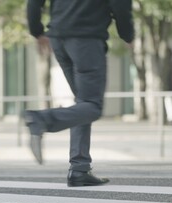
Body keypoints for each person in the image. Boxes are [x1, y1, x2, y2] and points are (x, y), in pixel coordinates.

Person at [26, 0, 134, 187]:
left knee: (82, 104)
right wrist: (128, 35)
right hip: (86, 39)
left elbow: (34, 2)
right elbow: (120, 4)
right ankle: (41, 120)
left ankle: (79, 168)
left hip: (59, 38)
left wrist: (37, 30)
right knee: (92, 106)